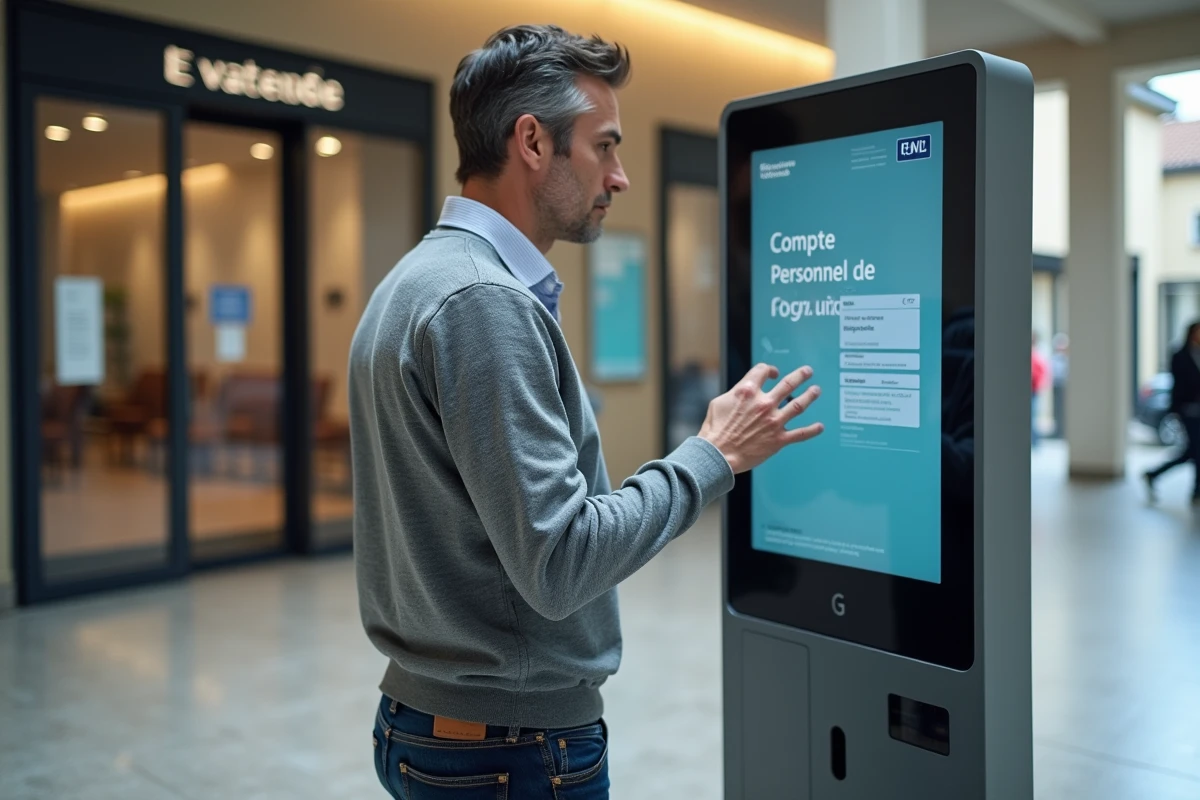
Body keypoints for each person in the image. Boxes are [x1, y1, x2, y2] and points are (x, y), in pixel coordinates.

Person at [348, 24, 824, 799]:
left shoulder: (418, 279)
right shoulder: (482, 305)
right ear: (532, 142)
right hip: (509, 747)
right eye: (604, 147)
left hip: (441, 727)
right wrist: (713, 455)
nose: (621, 176)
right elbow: (561, 564)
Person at [1144, 321, 1200, 503]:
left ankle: (1154, 474)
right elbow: (1179, 384)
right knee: (1196, 451)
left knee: (1192, 452)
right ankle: (1196, 491)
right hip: (1187, 410)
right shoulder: (1180, 355)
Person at [1031, 332, 1050, 447]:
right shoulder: (1035, 354)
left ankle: (1035, 441)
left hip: (1033, 390)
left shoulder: (1036, 354)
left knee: (1032, 416)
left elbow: (1042, 372)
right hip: (1033, 389)